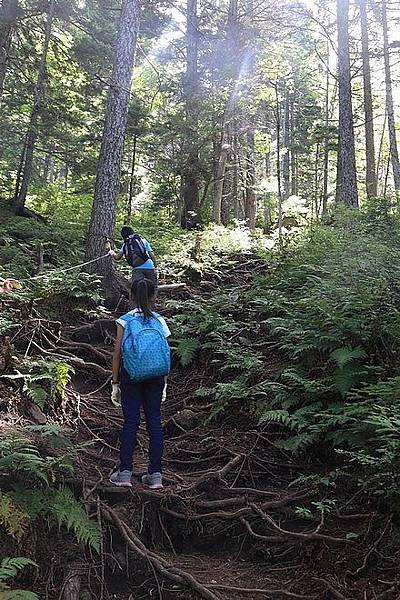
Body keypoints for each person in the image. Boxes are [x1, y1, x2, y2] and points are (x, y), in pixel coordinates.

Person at [109, 276, 170, 489]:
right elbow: (163, 353)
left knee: (131, 422)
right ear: (153, 296)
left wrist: (115, 383)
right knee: (154, 422)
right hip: (156, 377)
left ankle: (125, 473)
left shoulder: (124, 320)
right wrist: (164, 383)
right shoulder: (159, 321)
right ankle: (155, 475)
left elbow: (117, 355)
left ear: (131, 296)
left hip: (131, 376)